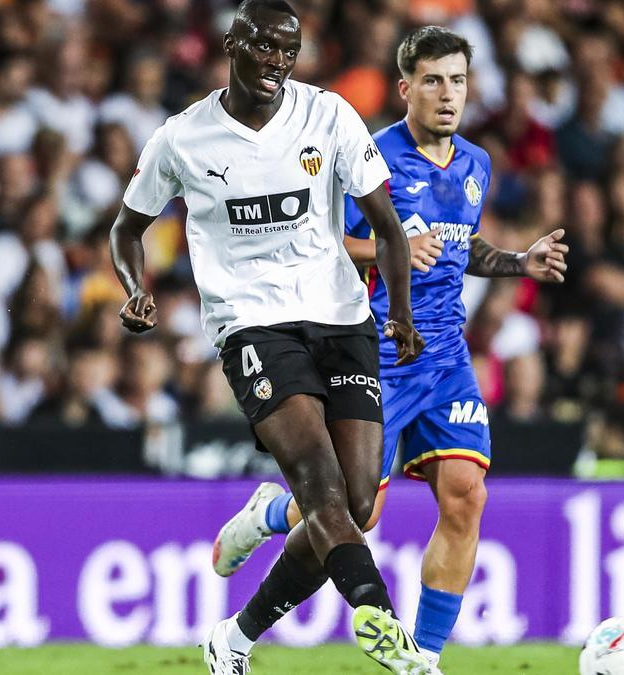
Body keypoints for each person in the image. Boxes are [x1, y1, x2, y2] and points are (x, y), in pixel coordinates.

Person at [210, 25, 568, 669]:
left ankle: (423, 659)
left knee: (467, 493)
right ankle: (268, 518)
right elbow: (314, 238)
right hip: (373, 351)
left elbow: (462, 249)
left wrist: (520, 260)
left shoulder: (476, 165)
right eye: (433, 80)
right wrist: (388, 246)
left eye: (457, 80)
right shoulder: (366, 156)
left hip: (447, 356)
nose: (447, 94)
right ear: (406, 89)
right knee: (354, 514)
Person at [107, 2, 435, 673]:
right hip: (251, 323)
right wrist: (134, 288)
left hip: (341, 317)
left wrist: (400, 313)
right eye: (265, 47)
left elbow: (389, 228)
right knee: (323, 489)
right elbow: (124, 229)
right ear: (232, 43)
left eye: (290, 52)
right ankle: (381, 618)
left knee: (358, 503)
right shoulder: (182, 138)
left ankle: (237, 629)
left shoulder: (329, 115)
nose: (277, 63)